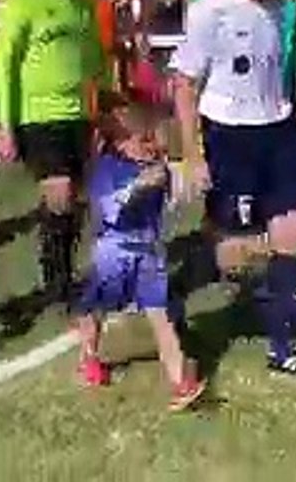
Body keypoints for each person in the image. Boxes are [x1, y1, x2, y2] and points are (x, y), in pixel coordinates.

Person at [173, 0, 296, 380]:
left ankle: (285, 349)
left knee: (291, 239)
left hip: (278, 130)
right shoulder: (213, 8)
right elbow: (184, 83)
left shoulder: (279, 5)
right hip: (230, 136)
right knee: (235, 249)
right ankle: (173, 289)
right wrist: (193, 153)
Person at [0, 0, 105, 307]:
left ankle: (64, 267)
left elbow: (92, 57)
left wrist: (103, 103)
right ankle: (56, 280)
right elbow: (2, 61)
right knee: (60, 192)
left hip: (78, 113)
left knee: (74, 200)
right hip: (37, 113)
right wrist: (5, 124)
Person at [75, 96, 206, 410]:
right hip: (114, 253)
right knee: (96, 309)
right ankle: (89, 357)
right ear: (121, 143)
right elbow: (110, 211)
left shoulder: (156, 167)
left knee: (161, 315)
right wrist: (138, 187)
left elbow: (175, 194)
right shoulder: (107, 169)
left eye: (153, 138)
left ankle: (180, 383)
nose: (151, 146)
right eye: (143, 139)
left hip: (148, 253)